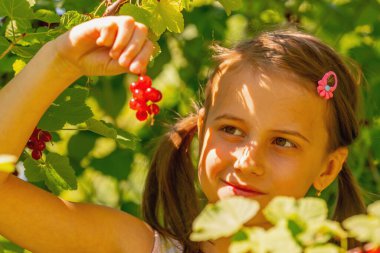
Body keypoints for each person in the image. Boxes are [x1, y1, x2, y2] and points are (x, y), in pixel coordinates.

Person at [0, 15, 367, 253]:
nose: (248, 161)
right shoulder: (135, 248)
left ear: (329, 167)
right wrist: (59, 61)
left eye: (283, 142)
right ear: (202, 132)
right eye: (231, 130)